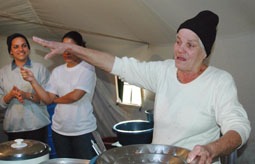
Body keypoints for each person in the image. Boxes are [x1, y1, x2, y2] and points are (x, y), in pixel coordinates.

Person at [30, 11, 250, 164]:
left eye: (190, 45)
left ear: (205, 52)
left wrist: (211, 149)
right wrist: (74, 49)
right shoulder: (163, 72)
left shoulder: (219, 81)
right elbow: (117, 64)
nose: (179, 50)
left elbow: (238, 127)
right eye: (177, 41)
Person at [21, 31, 97, 159]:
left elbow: (75, 96)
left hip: (82, 130)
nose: (66, 52)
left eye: (70, 48)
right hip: (59, 130)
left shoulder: (87, 68)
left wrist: (55, 100)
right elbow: (47, 99)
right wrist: (33, 81)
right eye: (63, 48)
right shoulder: (57, 71)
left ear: (79, 48)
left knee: (86, 162)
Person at [0, 33, 50, 142]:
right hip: (13, 127)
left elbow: (47, 99)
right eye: (16, 47)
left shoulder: (40, 69)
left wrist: (26, 95)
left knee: (39, 159)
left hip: (37, 125)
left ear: (28, 48)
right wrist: (10, 95)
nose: (21, 49)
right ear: (10, 51)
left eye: (24, 45)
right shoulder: (3, 72)